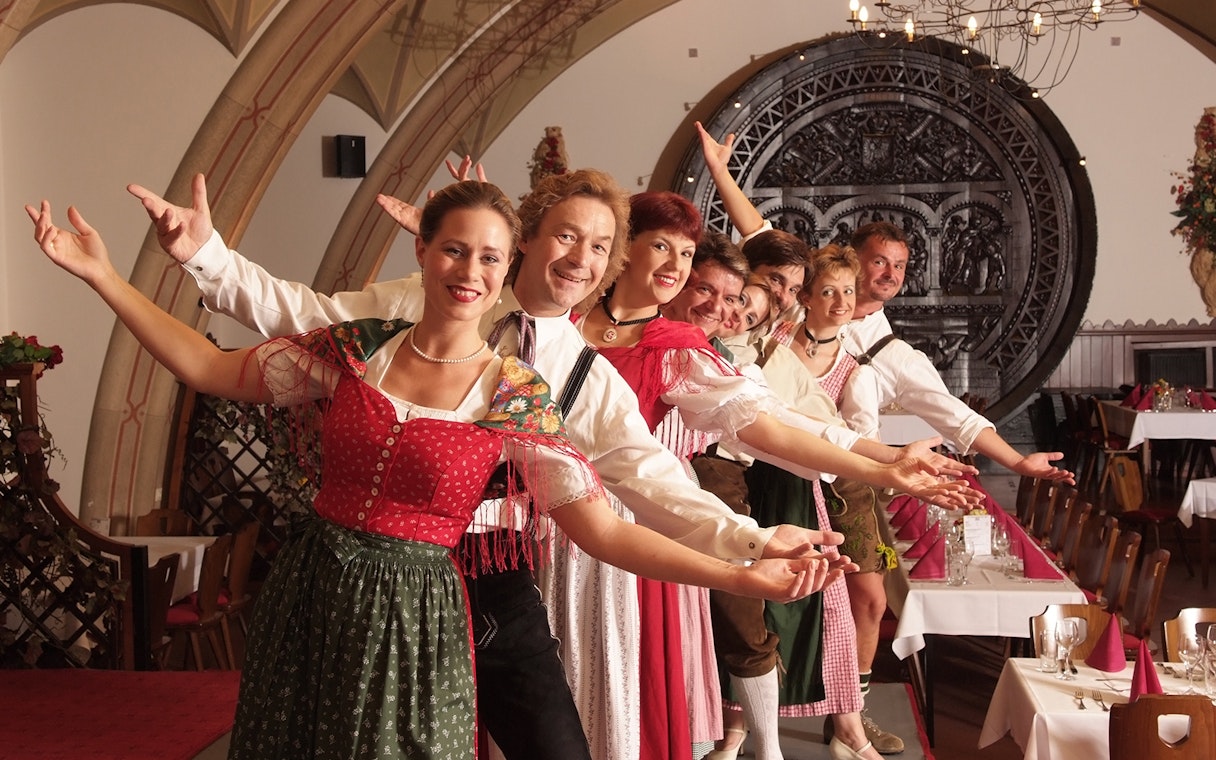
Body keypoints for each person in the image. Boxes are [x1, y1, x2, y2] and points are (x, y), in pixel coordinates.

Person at [27, 184, 833, 760]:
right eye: (455, 250)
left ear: (504, 261)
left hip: (425, 613)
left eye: (486, 256)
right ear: (424, 250)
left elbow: (613, 523)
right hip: (316, 594)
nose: (470, 271)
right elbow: (208, 364)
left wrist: (744, 566)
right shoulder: (358, 346)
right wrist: (104, 276)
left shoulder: (516, 397)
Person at [574, 190, 978, 759]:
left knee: (633, 677)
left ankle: (768, 745)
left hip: (645, 516)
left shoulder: (684, 350)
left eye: (686, 257)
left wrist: (885, 466)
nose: (715, 303)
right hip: (557, 520)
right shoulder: (561, 322)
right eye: (663, 249)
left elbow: (778, 427)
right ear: (625, 249)